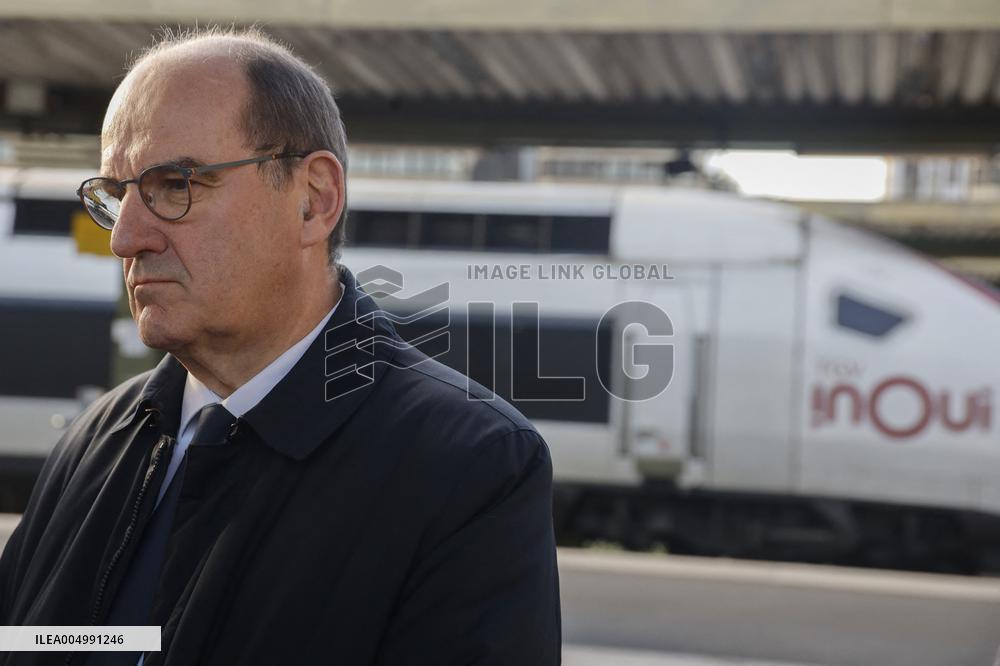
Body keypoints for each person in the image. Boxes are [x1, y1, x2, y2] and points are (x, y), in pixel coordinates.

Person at [0, 28, 561, 665]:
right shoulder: (94, 441)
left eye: (175, 184)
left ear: (313, 200)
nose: (125, 238)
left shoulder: (471, 469)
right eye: (116, 195)